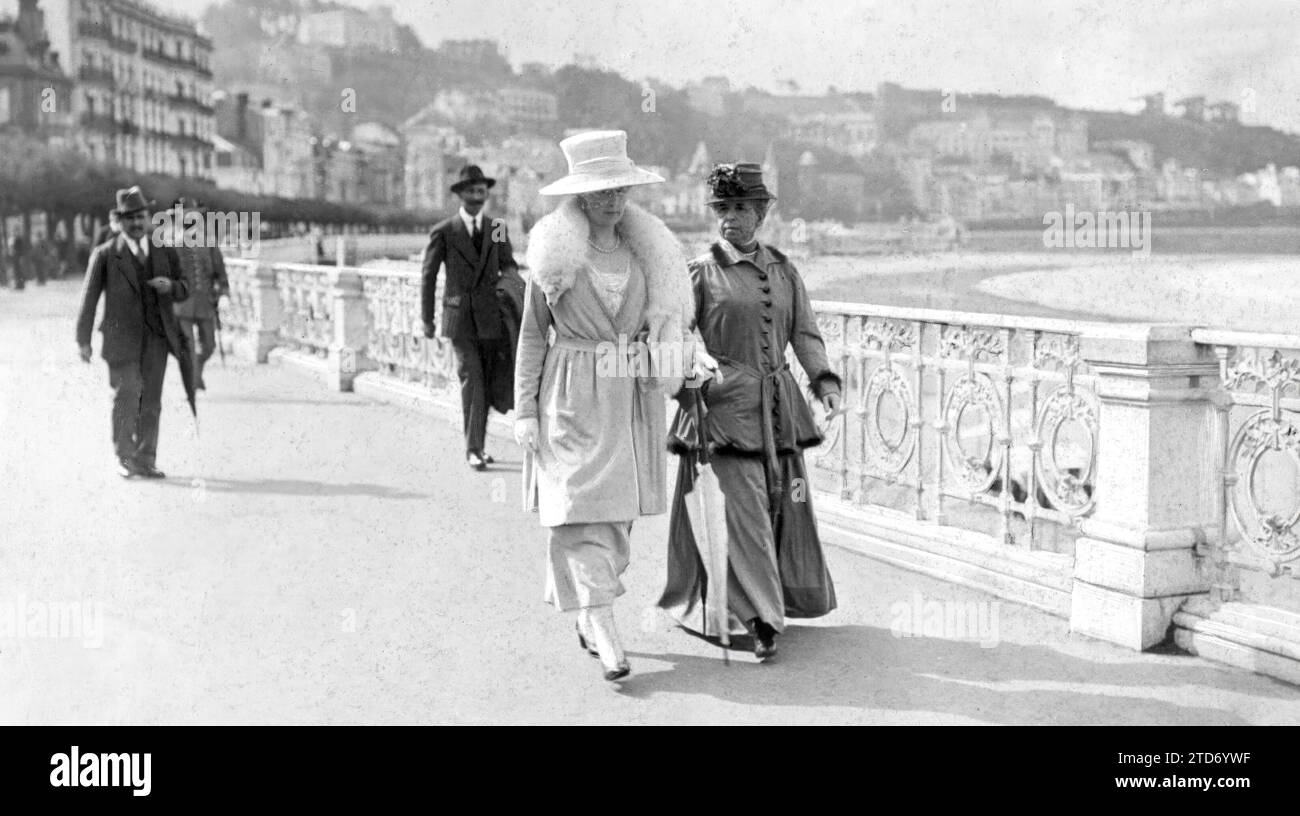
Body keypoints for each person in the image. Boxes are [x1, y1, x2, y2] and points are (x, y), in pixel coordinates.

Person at [514, 130, 694, 681]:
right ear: (579, 199)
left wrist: (678, 361)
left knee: (614, 519)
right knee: (574, 508)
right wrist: (524, 410)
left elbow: (663, 320)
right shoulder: (555, 255)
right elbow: (532, 337)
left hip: (630, 395)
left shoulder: (646, 252)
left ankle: (590, 611)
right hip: (569, 392)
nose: (612, 202)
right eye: (600, 193)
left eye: (619, 190)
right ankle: (606, 625)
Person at [658, 162, 842, 660]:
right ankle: (762, 619)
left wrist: (823, 382)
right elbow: (673, 336)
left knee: (779, 506)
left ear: (761, 213)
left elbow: (804, 333)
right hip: (721, 409)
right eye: (723, 208)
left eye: (741, 208)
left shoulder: (784, 269)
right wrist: (691, 370)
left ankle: (762, 602)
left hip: (778, 408)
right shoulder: (699, 272)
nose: (730, 218)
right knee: (745, 514)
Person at [75, 186, 192, 480]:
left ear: (148, 217)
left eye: (140, 217)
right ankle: (124, 456)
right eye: (130, 219)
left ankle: (145, 459)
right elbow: (88, 298)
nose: (137, 224)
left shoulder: (164, 249)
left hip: (156, 339)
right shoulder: (105, 255)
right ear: (119, 222)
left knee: (151, 400)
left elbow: (185, 286)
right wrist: (83, 340)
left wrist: (171, 287)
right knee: (126, 395)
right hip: (120, 339)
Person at [421, 165, 519, 470]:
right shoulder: (444, 231)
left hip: (492, 317)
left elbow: (509, 265)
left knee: (488, 384)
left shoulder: (498, 227)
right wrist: (427, 319)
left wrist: (511, 289)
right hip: (459, 319)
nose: (477, 197)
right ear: (460, 194)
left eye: (481, 191)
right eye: (471, 191)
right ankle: (473, 449)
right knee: (472, 381)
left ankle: (479, 445)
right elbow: (428, 275)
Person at [170, 198, 229, 391]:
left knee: (209, 346)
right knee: (188, 345)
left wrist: (224, 294)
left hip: (206, 303)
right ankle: (193, 381)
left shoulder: (209, 245)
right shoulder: (171, 245)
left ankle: (197, 372)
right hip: (181, 305)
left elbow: (221, 273)